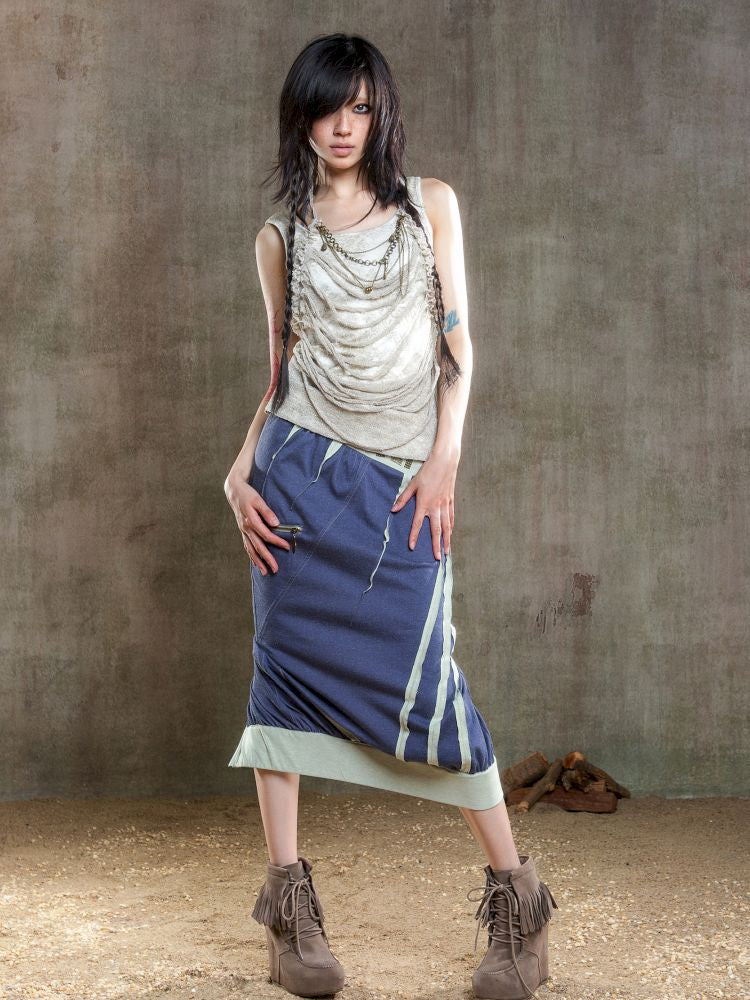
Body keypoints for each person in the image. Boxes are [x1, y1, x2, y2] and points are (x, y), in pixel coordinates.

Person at [223, 32, 558, 1000]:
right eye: (328, 108)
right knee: (281, 681)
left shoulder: (428, 205)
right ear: (301, 116)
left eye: (360, 108)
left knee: (434, 691)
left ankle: (521, 905)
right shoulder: (280, 237)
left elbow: (459, 347)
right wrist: (237, 475)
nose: (343, 126)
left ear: (380, 116)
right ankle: (289, 914)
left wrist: (446, 457)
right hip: (295, 481)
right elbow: (280, 374)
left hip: (404, 483)